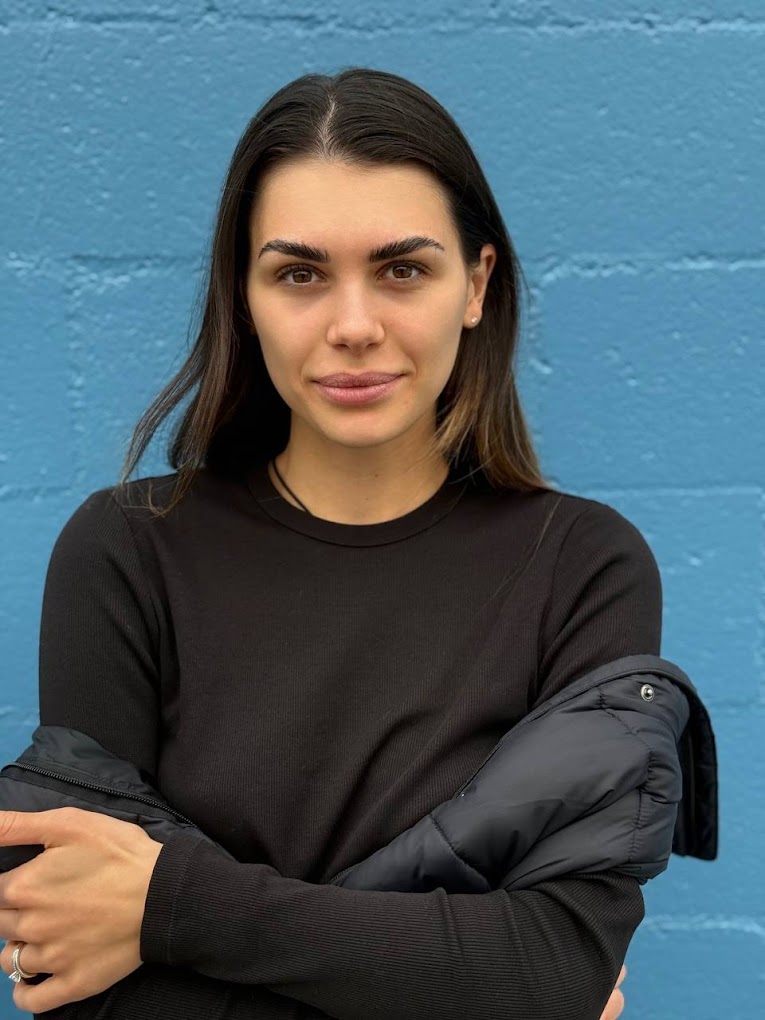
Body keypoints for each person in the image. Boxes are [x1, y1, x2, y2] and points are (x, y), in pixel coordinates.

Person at [0, 67, 660, 1018]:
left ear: (474, 286)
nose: (353, 327)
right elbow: (91, 988)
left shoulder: (582, 568)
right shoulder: (128, 552)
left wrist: (169, 905)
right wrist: (461, 972)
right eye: (299, 273)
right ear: (245, 294)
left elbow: (555, 967)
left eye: (403, 269)